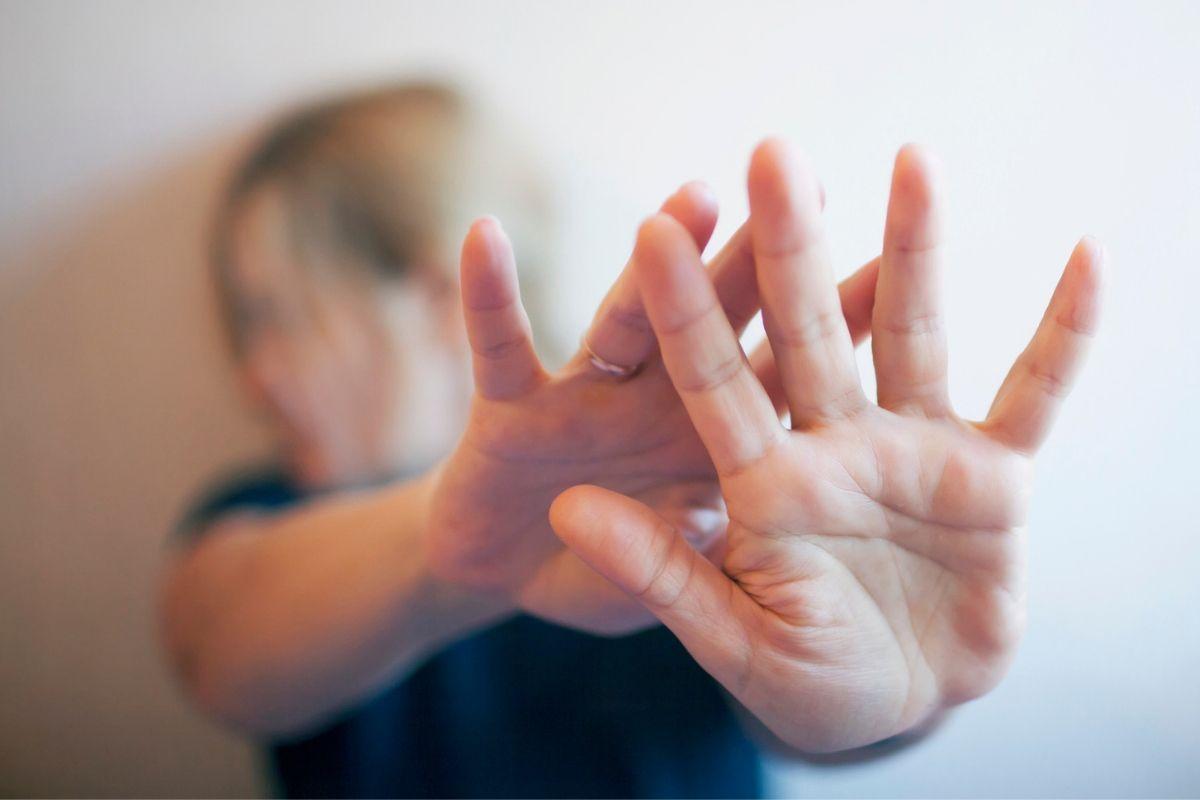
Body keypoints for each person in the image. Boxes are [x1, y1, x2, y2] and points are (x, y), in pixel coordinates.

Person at [160, 81, 1102, 798]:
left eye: (275, 317)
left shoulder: (706, 497)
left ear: (436, 294)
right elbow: (212, 649)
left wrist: (902, 677)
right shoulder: (265, 520)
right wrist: (453, 554)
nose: (254, 376)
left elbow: (829, 716)